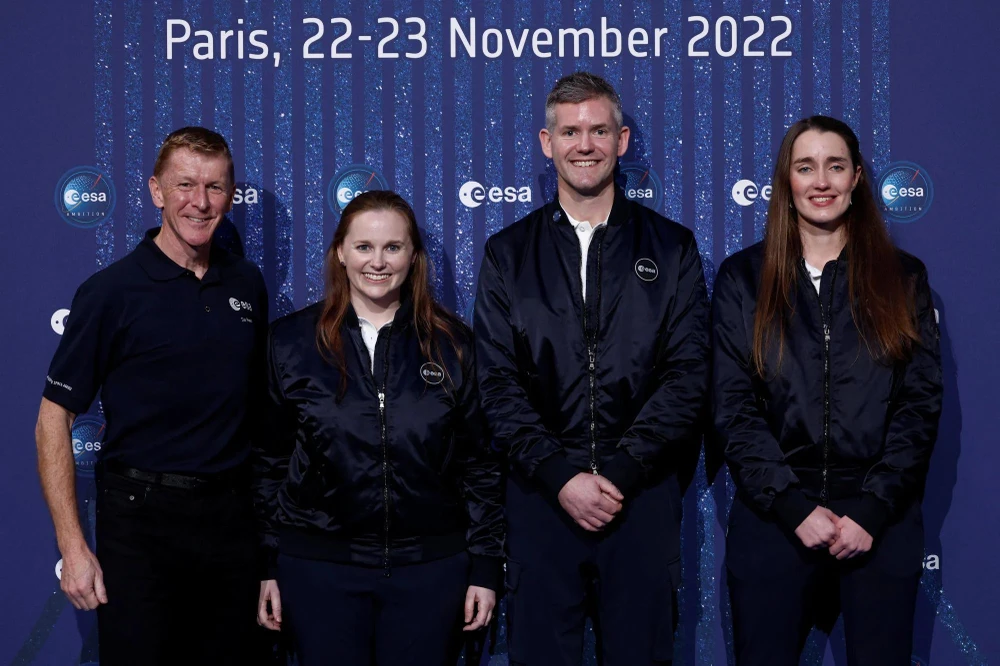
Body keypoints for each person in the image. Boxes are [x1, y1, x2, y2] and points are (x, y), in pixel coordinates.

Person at [474, 72, 709, 665]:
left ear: (622, 140)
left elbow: (687, 377)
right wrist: (560, 476)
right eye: (571, 131)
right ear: (546, 143)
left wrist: (624, 472)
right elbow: (495, 384)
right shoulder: (507, 254)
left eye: (599, 130)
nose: (586, 144)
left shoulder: (673, 248)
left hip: (641, 498)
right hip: (541, 499)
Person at [712, 115, 942, 666]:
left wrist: (871, 509)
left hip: (877, 523)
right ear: (785, 182)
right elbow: (732, 407)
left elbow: (919, 404)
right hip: (776, 519)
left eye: (835, 166)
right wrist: (793, 506)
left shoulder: (902, 277)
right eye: (806, 166)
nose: (822, 181)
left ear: (857, 177)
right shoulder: (743, 278)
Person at [35, 127, 269, 665]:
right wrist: (72, 547)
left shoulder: (246, 284)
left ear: (230, 195)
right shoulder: (110, 291)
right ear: (156, 191)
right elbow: (53, 417)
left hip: (232, 524)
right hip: (140, 526)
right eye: (185, 184)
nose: (200, 201)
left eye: (214, 187)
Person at [253, 190, 503, 666]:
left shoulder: (454, 347)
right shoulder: (288, 344)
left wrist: (486, 567)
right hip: (319, 570)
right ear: (340, 253)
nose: (378, 262)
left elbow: (481, 467)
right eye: (364, 247)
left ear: (413, 256)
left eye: (393, 247)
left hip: (430, 571)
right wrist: (268, 564)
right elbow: (268, 465)